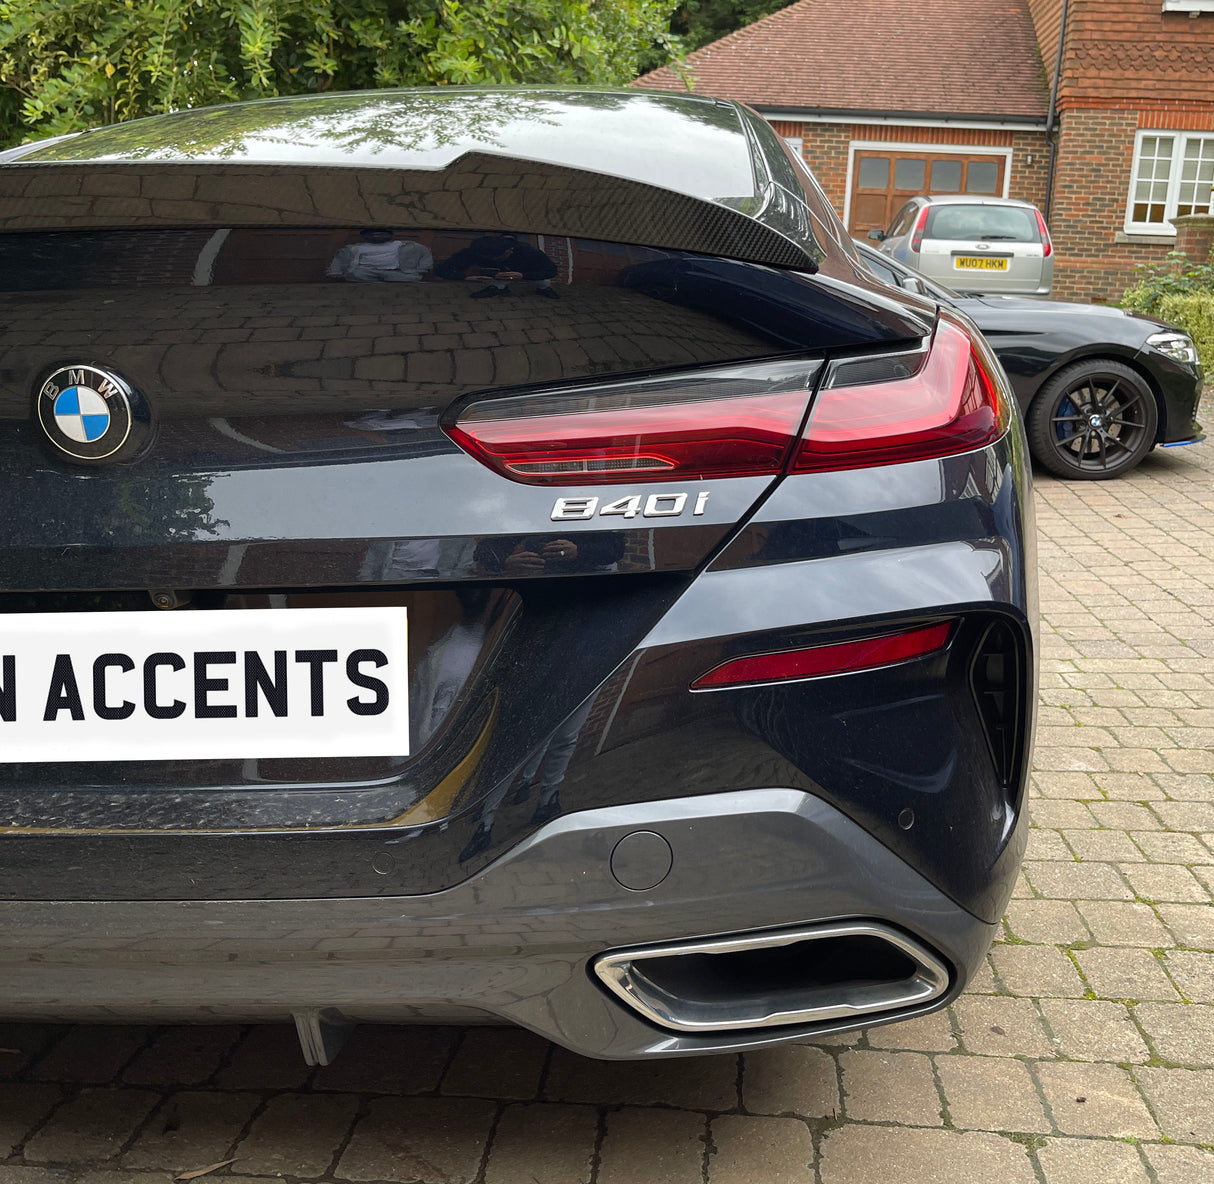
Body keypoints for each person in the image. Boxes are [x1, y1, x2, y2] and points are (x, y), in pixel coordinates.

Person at [434, 234, 559, 299]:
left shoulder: (529, 251)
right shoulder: (473, 251)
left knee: (543, 280)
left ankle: (544, 289)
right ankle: (497, 288)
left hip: (527, 270)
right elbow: (441, 270)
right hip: (501, 272)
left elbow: (552, 270)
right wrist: (464, 277)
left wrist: (523, 275)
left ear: (509, 250)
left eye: (501, 257)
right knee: (496, 275)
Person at [326, 229, 433, 282]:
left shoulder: (405, 245)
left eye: (381, 233)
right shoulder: (354, 248)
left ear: (390, 235)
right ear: (364, 236)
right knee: (354, 274)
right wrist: (335, 272)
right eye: (373, 234)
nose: (377, 235)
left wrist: (424, 268)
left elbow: (425, 252)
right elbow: (339, 259)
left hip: (397, 271)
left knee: (411, 278)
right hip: (365, 271)